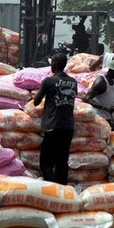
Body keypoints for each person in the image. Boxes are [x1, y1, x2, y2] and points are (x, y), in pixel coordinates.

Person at [33, 52, 77, 185]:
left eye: (52, 63)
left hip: (52, 126)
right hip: (68, 127)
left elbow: (36, 102)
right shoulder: (73, 82)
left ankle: (51, 189)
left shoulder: (49, 81)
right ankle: (62, 191)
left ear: (55, 64)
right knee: (62, 163)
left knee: (46, 164)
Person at [84, 59, 114, 131]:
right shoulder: (101, 82)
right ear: (112, 71)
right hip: (100, 117)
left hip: (110, 117)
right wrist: (105, 108)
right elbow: (87, 98)